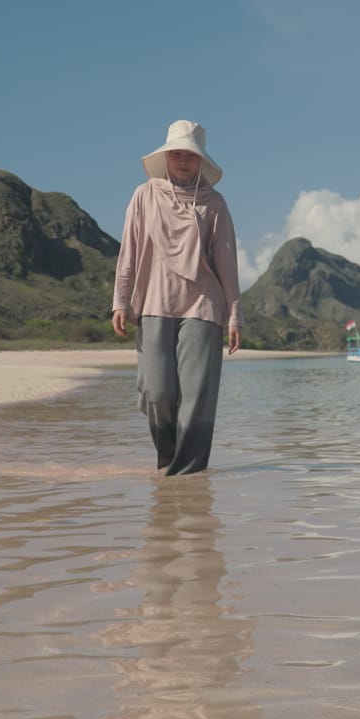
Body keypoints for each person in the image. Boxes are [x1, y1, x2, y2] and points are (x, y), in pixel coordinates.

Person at [112, 120, 243, 476]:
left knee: (196, 397)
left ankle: (187, 477)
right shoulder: (145, 195)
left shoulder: (215, 203)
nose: (183, 160)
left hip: (204, 303)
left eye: (190, 154)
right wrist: (120, 300)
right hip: (155, 301)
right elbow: (129, 250)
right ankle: (168, 459)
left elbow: (227, 262)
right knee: (157, 391)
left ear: (201, 160)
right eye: (177, 153)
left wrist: (234, 314)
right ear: (166, 157)